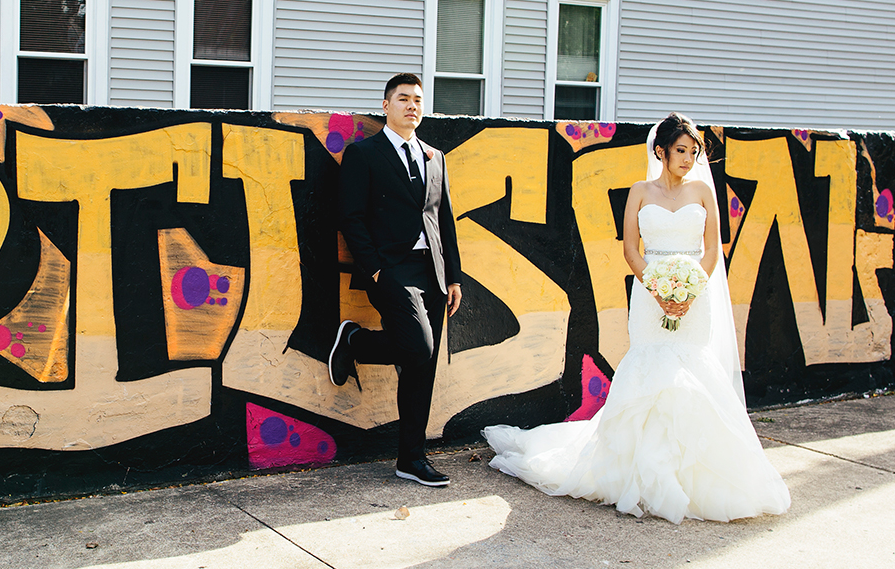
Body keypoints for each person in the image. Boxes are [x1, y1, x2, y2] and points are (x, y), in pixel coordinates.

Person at [483, 113, 789, 523]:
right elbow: (631, 250)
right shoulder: (640, 192)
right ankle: (639, 474)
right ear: (661, 151)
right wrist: (659, 290)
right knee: (649, 369)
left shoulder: (703, 191)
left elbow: (713, 250)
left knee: (692, 370)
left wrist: (690, 290)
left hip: (694, 297)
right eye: (681, 150)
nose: (688, 159)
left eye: (693, 152)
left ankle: (693, 474)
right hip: (649, 296)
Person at [329, 74, 463, 487]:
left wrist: (454, 276)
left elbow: (443, 218)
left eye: (418, 100)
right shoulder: (364, 154)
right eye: (403, 99)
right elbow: (350, 216)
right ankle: (355, 341)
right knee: (418, 346)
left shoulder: (435, 157)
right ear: (386, 106)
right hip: (391, 269)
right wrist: (374, 268)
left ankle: (411, 459)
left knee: (423, 367)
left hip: (432, 270)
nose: (412, 106)